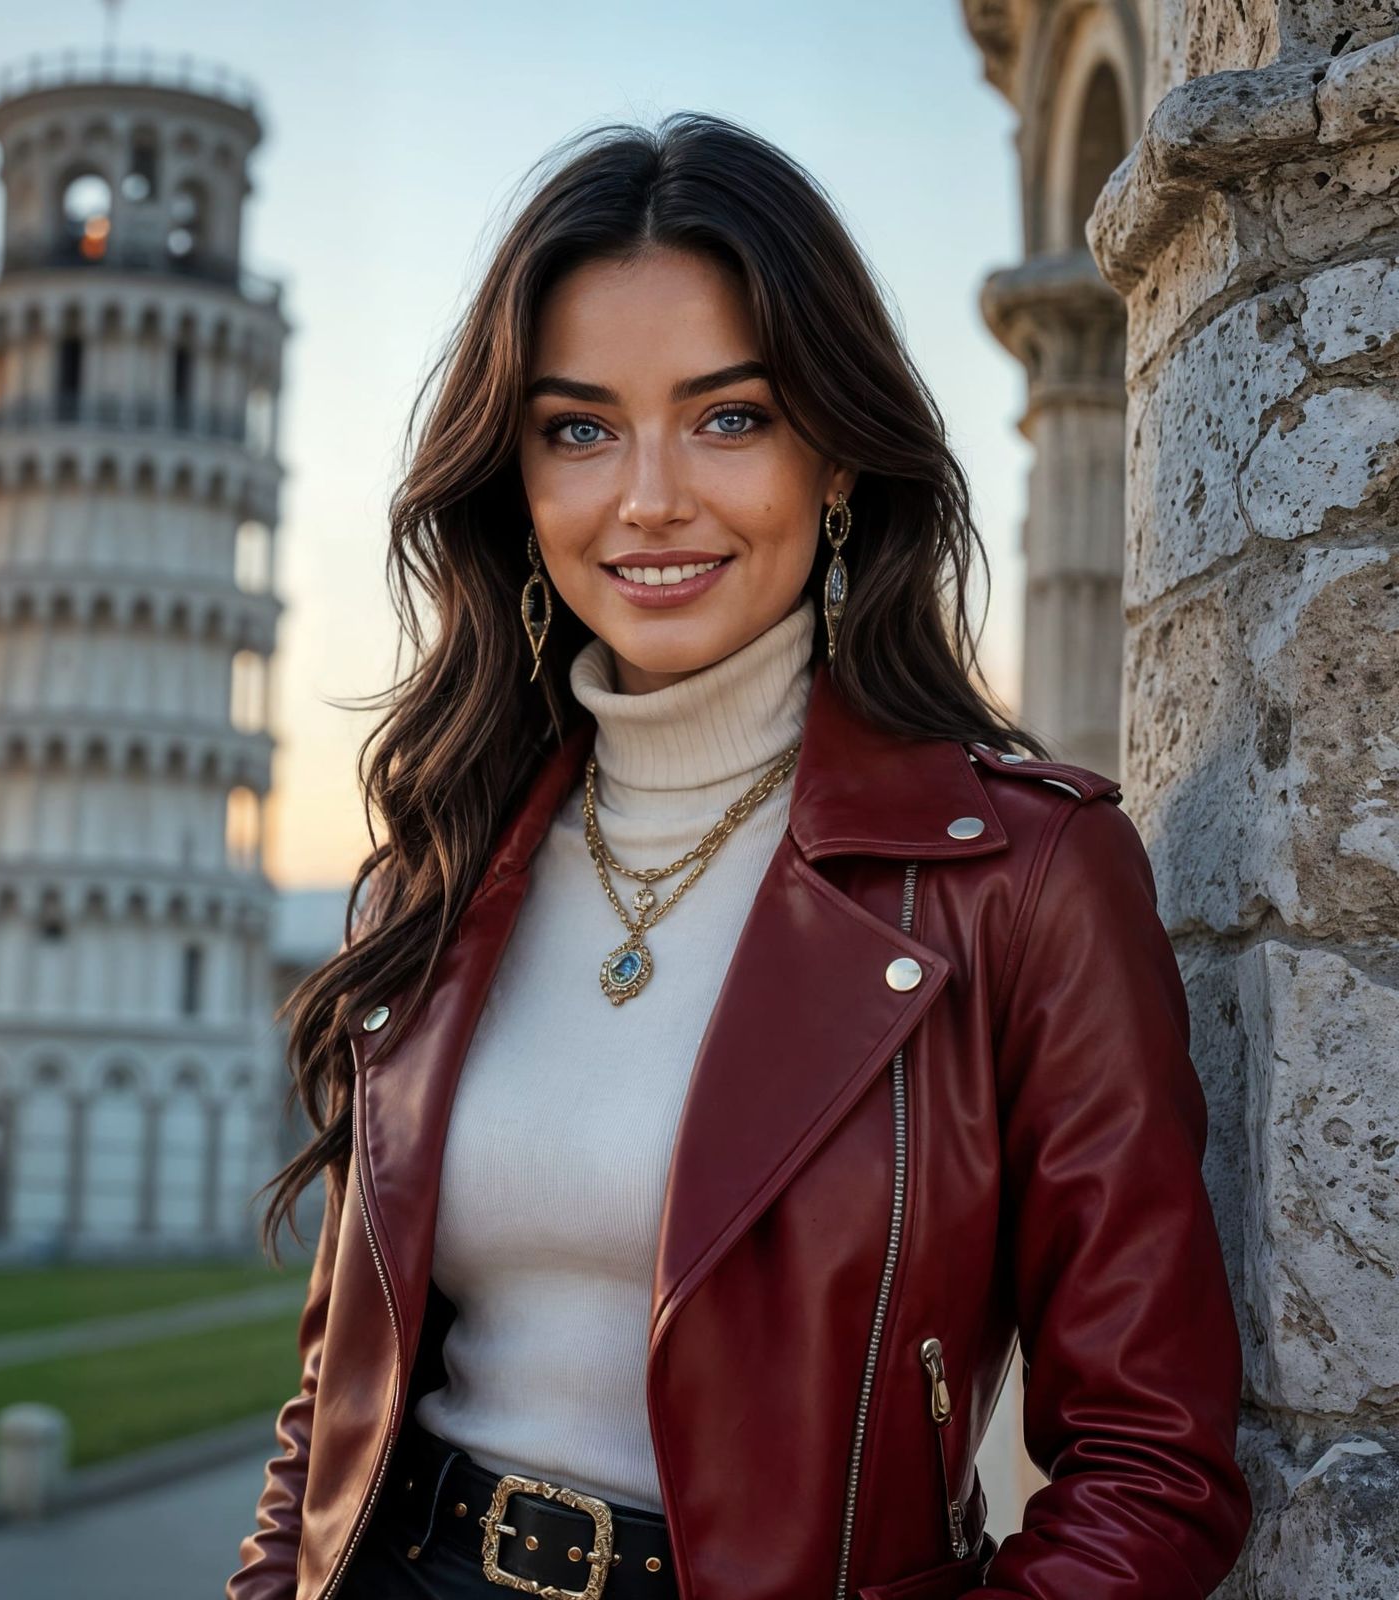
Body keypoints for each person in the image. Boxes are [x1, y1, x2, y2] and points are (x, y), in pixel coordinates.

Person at [227, 111, 1250, 1600]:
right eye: (579, 429)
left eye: (730, 417)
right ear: (516, 482)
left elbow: (1154, 1467)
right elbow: (335, 1407)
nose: (649, 498)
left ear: (836, 456)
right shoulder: (433, 873)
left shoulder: (1026, 880)